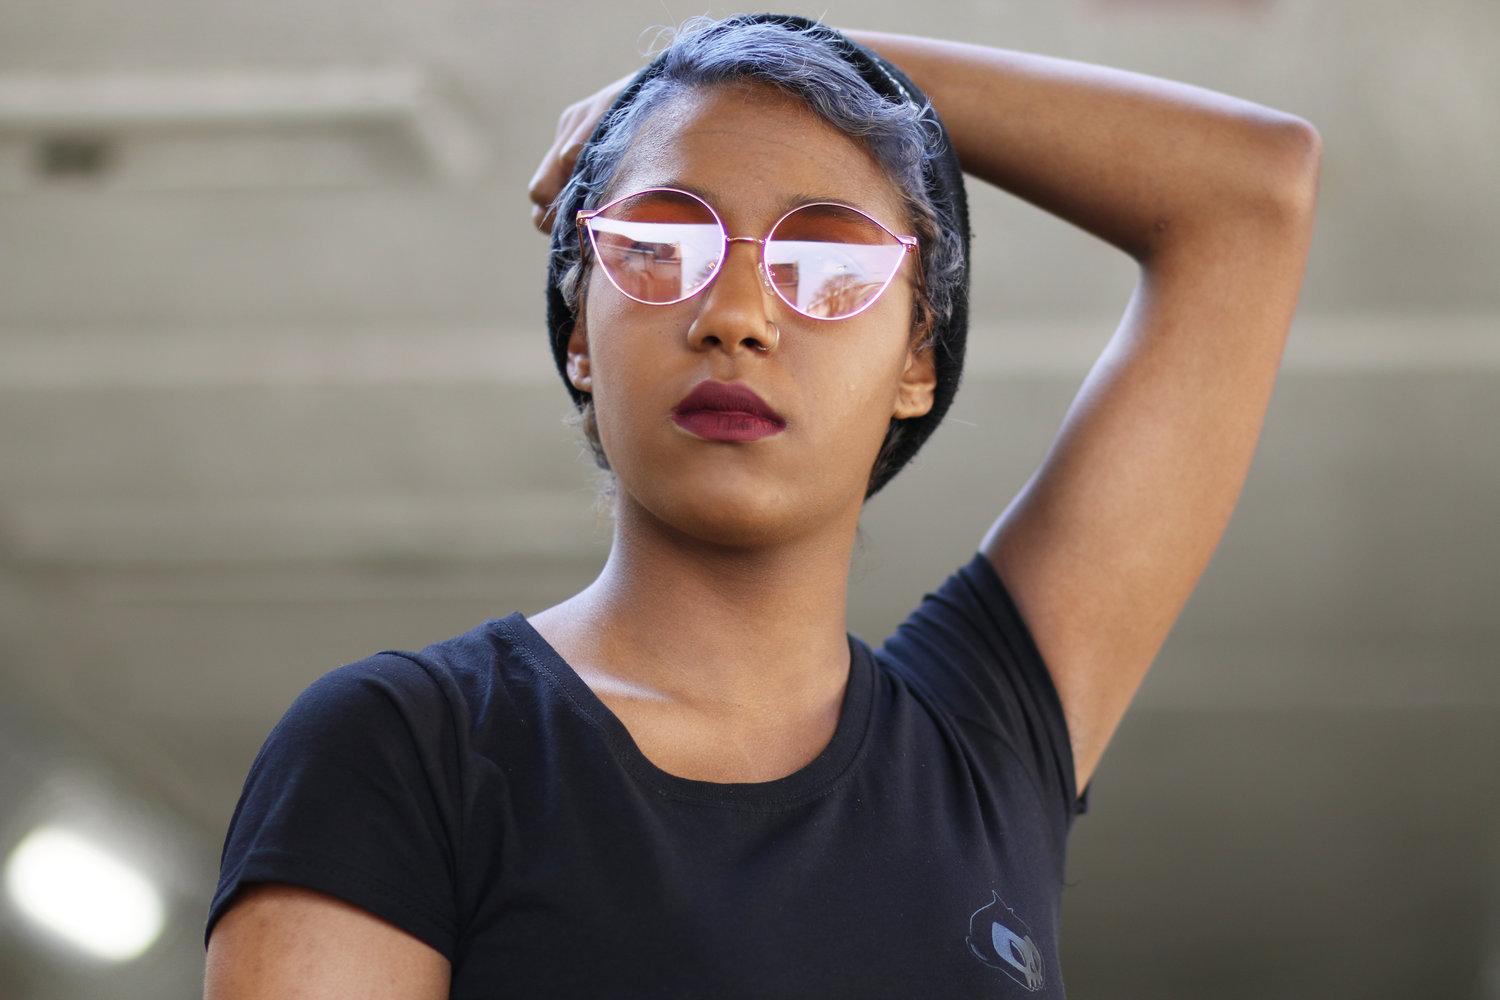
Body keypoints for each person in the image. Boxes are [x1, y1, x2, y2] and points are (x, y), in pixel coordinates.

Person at [202, 13, 1320, 999]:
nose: (736, 312)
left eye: (825, 258)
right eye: (662, 245)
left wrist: (799, 51)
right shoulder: (409, 748)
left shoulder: (986, 739)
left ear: (916, 360)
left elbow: (1255, 191)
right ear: (581, 330)